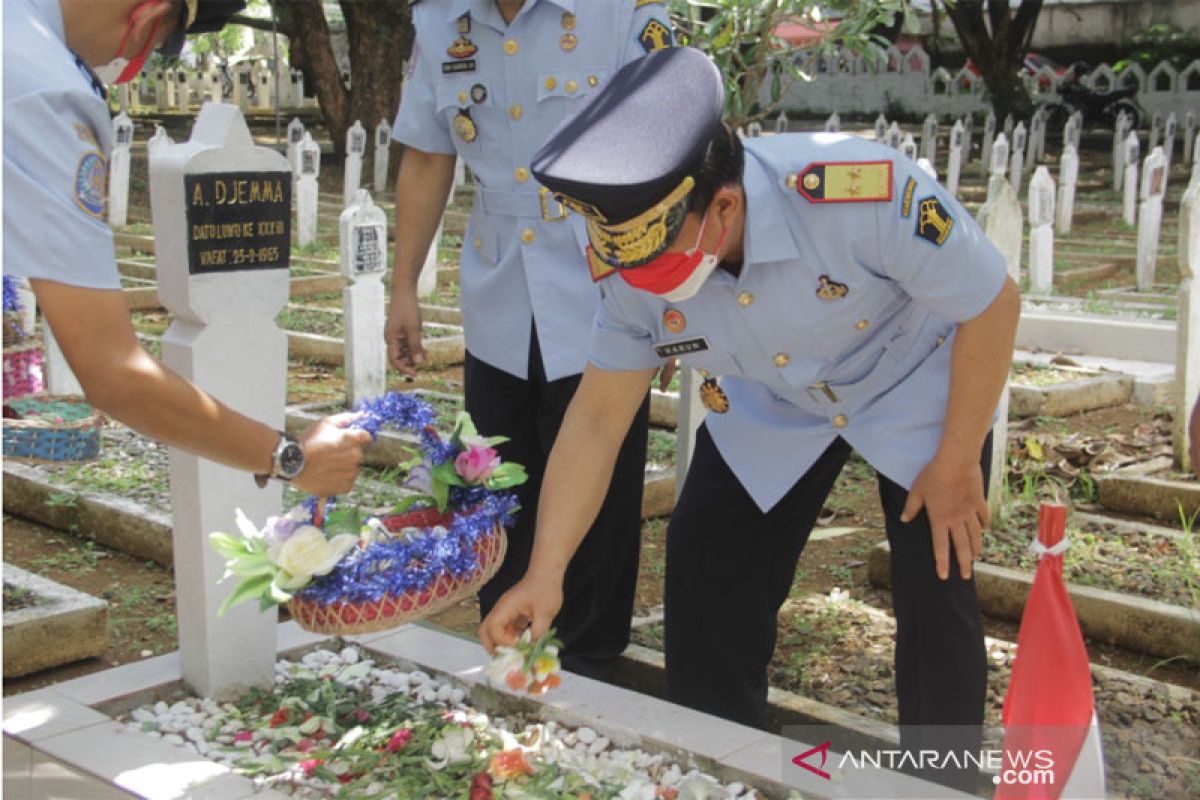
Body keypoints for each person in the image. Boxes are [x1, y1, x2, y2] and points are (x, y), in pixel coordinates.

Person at [479, 47, 1022, 791]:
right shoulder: (632, 252)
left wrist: (959, 458)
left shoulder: (859, 192)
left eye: (658, 255)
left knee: (937, 571)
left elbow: (992, 301)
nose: (639, 280)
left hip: (912, 377)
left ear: (725, 206)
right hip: (772, 399)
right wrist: (544, 574)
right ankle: (717, 772)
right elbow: (600, 418)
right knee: (705, 563)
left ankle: (945, 785)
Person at [386, 0, 675, 681]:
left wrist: (662, 295)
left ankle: (595, 666)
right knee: (498, 487)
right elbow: (428, 157)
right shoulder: (440, 22)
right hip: (498, 292)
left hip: (602, 282)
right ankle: (511, 658)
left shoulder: (617, 14)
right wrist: (404, 285)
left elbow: (670, 151)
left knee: (601, 497)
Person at [4, 0, 371, 495]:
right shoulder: (44, 91)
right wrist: (292, 458)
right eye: (162, 44)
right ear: (151, 18)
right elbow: (113, 372)